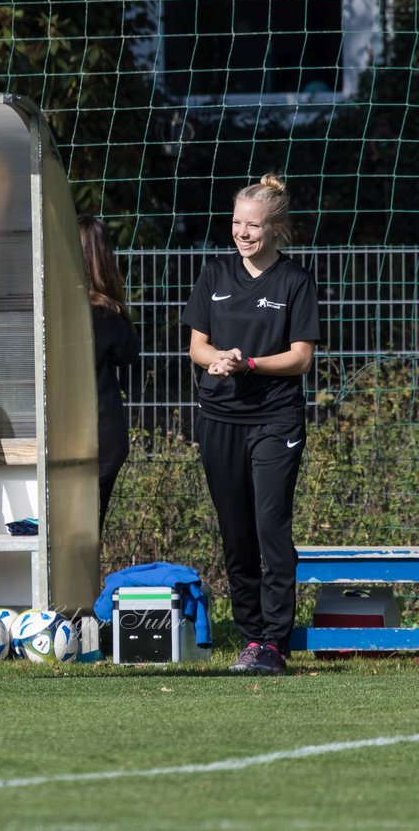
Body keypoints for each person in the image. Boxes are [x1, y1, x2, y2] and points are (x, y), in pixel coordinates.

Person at [180, 174, 318, 676]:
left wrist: (250, 364)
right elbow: (197, 346)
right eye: (237, 223)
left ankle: (275, 642)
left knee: (269, 527)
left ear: (276, 228)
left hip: (275, 418)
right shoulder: (215, 274)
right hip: (219, 418)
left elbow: (301, 358)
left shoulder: (295, 282)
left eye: (253, 225)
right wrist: (217, 359)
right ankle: (251, 637)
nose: (242, 233)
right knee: (236, 532)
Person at [78, 215, 141, 531]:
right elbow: (127, 353)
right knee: (90, 532)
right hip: (103, 437)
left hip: (70, 438)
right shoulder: (107, 313)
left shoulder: (49, 312)